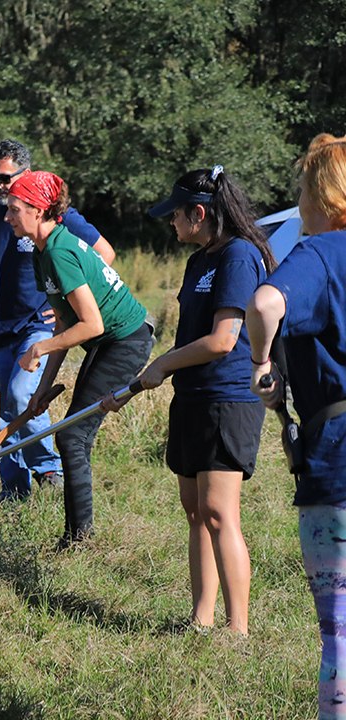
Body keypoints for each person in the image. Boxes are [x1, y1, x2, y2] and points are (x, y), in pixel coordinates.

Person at [106, 166, 273, 635]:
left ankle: (237, 630)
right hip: (192, 396)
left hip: (227, 399)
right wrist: (166, 369)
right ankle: (200, 620)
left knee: (219, 513)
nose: (171, 221)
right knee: (195, 510)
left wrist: (163, 363)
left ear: (199, 213)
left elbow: (224, 340)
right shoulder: (199, 260)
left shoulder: (239, 257)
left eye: (176, 214)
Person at [248, 133, 346, 717]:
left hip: (337, 460)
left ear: (323, 196)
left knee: (339, 633)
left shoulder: (321, 253)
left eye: (303, 189)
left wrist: (262, 364)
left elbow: (265, 304)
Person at [9, 170, 153, 549]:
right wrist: (41, 390)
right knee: (73, 435)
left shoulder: (59, 251)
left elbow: (91, 324)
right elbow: (64, 323)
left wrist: (39, 348)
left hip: (126, 340)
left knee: (72, 434)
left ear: (39, 210)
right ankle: (77, 534)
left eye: (14, 209)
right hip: (107, 341)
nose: (7, 217)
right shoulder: (43, 252)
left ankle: (78, 540)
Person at [0, 139, 116, 500]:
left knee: (22, 394)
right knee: (1, 408)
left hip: (39, 325)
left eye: (5, 178)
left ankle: (48, 469)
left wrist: (69, 304)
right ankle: (13, 489)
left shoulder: (53, 214)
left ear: (27, 173)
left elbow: (104, 253)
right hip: (2, 328)